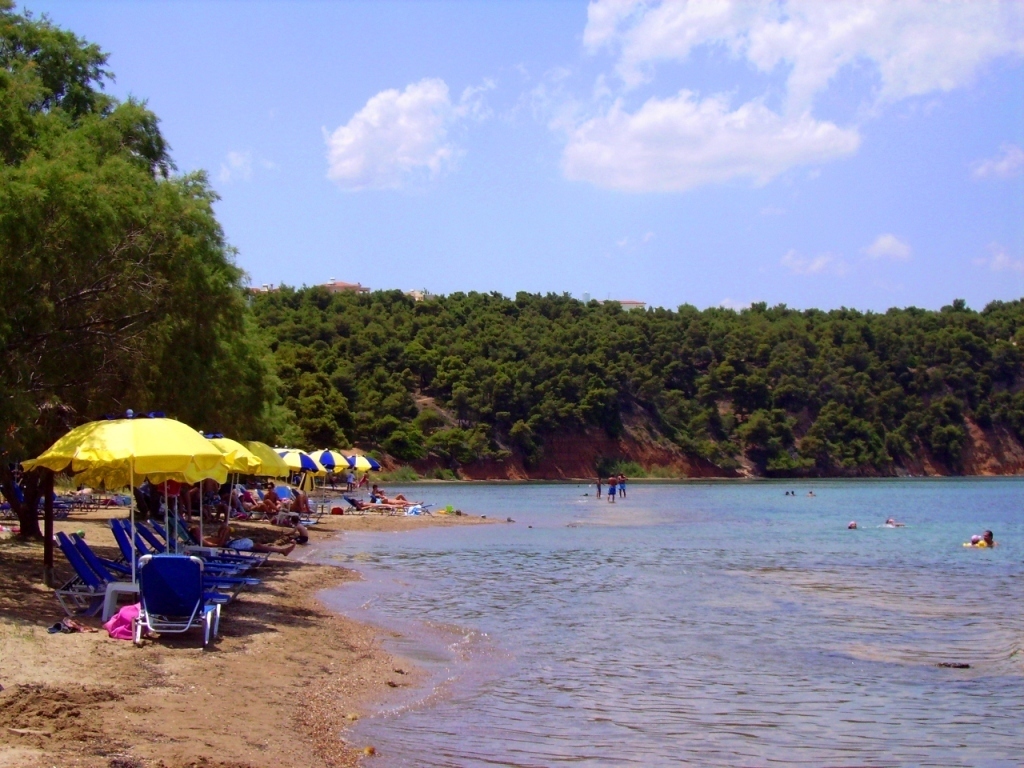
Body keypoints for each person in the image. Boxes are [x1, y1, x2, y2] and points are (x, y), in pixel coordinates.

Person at [191, 521, 296, 555]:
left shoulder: (203, 538)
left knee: (257, 545)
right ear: (195, 535)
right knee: (257, 546)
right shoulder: (202, 542)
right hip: (231, 544)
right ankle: (282, 551)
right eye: (198, 531)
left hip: (232, 542)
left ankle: (279, 550)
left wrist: (222, 531)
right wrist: (224, 535)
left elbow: (218, 540)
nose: (200, 531)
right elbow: (219, 545)